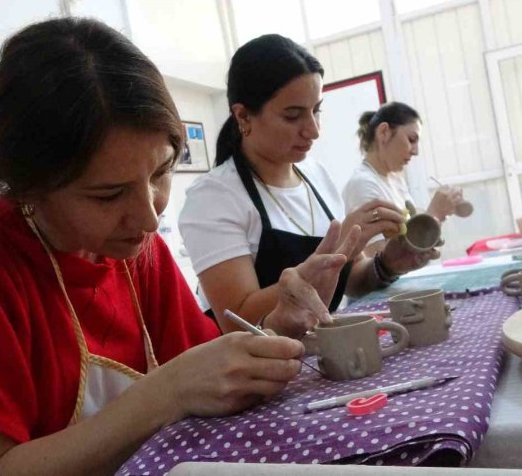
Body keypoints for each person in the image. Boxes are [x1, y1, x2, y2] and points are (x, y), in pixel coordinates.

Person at [0, 18, 355, 475]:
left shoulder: (136, 252)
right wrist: (165, 393)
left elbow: (213, 380)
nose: (148, 216)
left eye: (161, 173)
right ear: (29, 187)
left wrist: (275, 331)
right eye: (107, 194)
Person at [179, 35, 439, 336]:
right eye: (293, 116)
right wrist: (342, 246)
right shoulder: (215, 197)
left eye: (316, 110)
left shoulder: (316, 175)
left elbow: (350, 279)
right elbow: (238, 318)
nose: (313, 131)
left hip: (327, 349)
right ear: (243, 116)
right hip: (262, 371)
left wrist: (388, 263)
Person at [342, 102, 463, 255]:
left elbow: (409, 236)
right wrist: (434, 215)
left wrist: (436, 220)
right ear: (384, 132)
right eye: (411, 139)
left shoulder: (396, 179)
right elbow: (376, 261)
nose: (416, 151)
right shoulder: (363, 184)